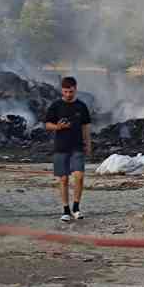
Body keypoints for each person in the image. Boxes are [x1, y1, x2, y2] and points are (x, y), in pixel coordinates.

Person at [45, 76, 92, 222]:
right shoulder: (56, 106)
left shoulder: (81, 106)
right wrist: (58, 127)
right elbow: (47, 124)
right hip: (61, 147)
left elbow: (86, 126)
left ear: (75, 89)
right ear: (62, 90)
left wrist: (88, 143)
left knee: (79, 176)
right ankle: (66, 210)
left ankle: (76, 208)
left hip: (77, 146)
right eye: (65, 91)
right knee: (64, 179)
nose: (68, 94)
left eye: (70, 91)